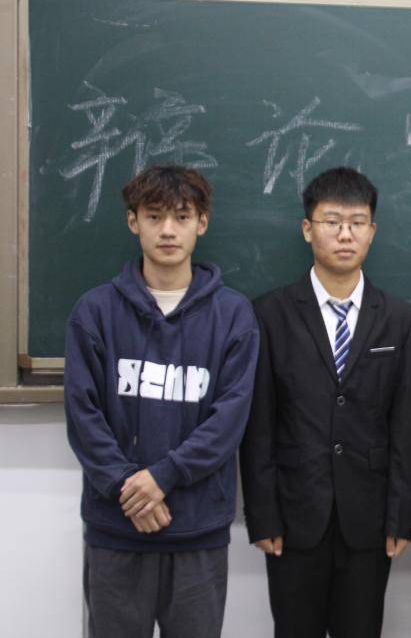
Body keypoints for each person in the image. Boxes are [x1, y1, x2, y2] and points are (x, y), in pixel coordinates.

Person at [64, 164, 258, 637]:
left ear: (202, 222)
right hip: (117, 529)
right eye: (154, 216)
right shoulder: (94, 312)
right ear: (133, 221)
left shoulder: (234, 315)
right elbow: (83, 416)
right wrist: (130, 488)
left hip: (196, 531)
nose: (168, 230)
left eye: (182, 216)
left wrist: (163, 477)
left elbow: (229, 420)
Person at [239, 167, 411, 638]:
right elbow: (259, 426)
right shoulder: (269, 314)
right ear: (307, 229)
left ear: (372, 232)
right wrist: (262, 514)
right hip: (293, 516)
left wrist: (401, 516)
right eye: (332, 221)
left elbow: (404, 426)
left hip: (369, 518)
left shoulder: (399, 318)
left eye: (357, 223)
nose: (345, 234)